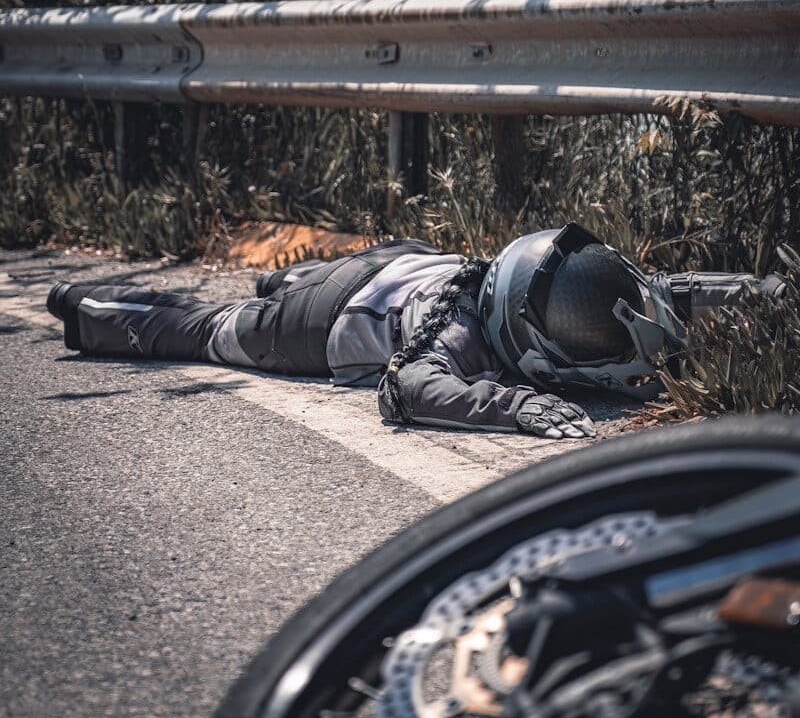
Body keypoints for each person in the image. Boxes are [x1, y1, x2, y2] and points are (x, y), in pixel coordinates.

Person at [45, 223, 785, 441]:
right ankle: (83, 307)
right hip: (324, 320)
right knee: (206, 330)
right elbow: (408, 385)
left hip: (403, 261)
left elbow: (671, 291)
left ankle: (279, 278)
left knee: (279, 284)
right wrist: (517, 406)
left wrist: (766, 291)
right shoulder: (463, 337)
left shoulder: (567, 282)